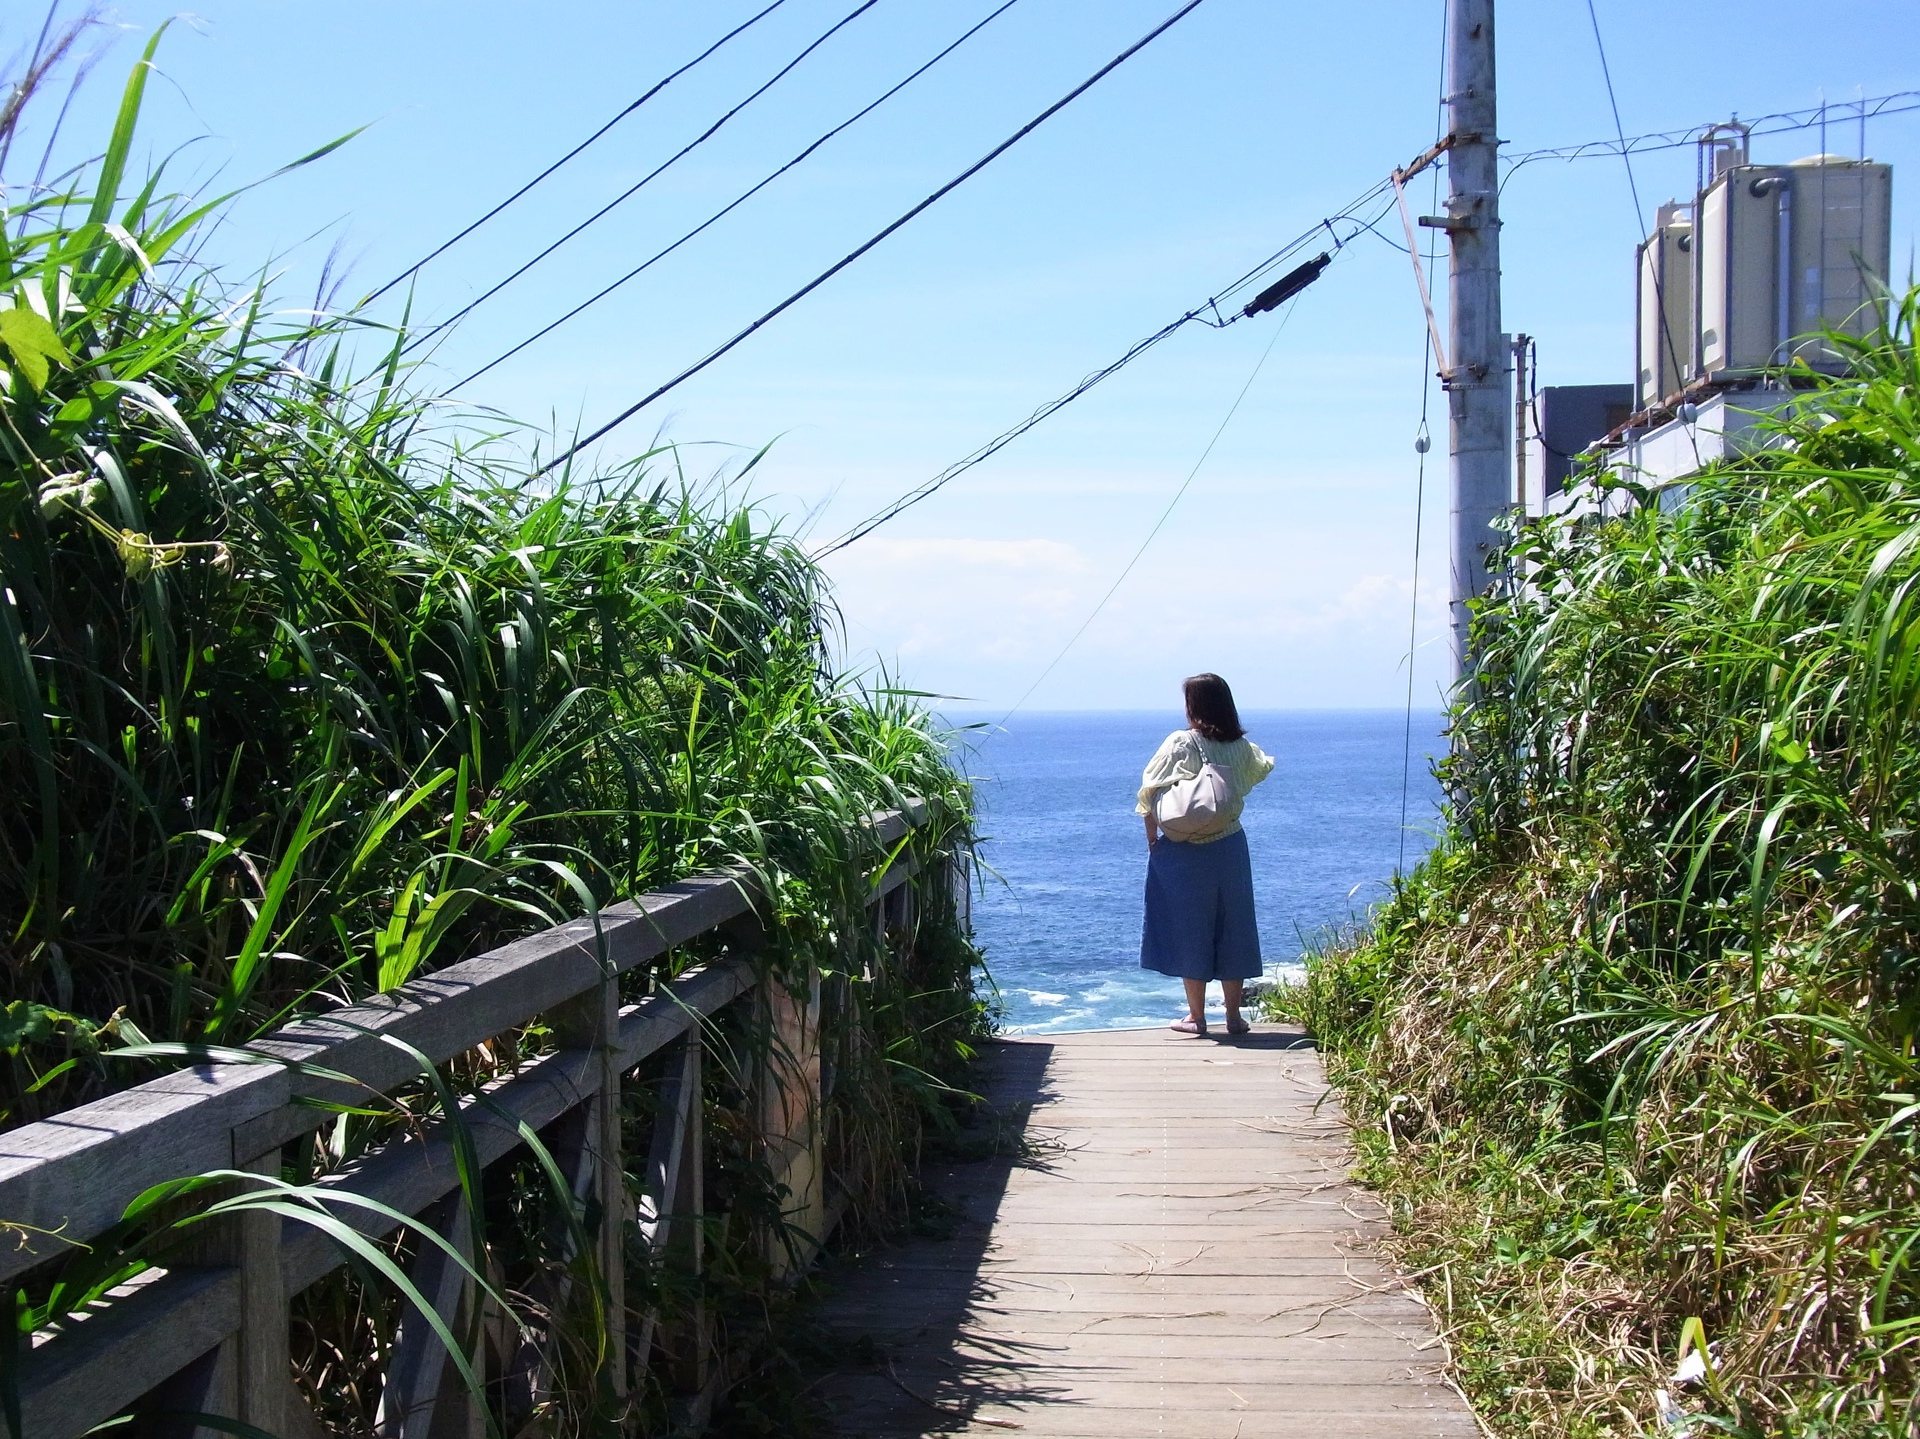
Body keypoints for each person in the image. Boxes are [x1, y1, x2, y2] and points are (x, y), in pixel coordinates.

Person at [1136, 673, 1274, 1036]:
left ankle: (1196, 1018)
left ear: (1193, 706)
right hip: (1230, 845)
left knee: (1189, 927)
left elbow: (1149, 793)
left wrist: (1153, 841)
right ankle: (1233, 1017)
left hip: (1185, 850)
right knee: (1234, 925)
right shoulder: (1242, 748)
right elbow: (1255, 773)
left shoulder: (1182, 742)